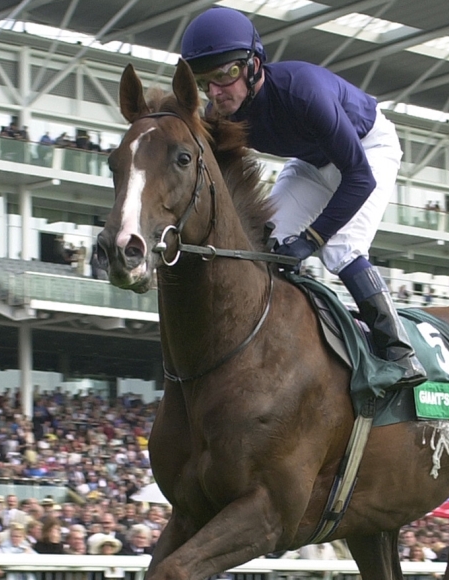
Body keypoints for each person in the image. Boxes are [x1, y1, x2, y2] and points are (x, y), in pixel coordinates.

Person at [180, 7, 426, 389]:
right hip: (311, 161)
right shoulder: (219, 115)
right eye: (204, 81)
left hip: (368, 149)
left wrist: (312, 239)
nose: (215, 92)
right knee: (264, 241)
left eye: (225, 75)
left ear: (254, 65)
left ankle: (400, 353)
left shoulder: (303, 92)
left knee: (340, 249)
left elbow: (359, 177)